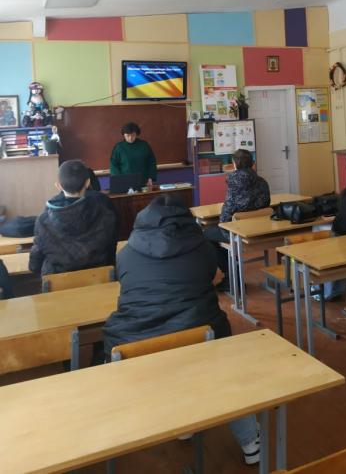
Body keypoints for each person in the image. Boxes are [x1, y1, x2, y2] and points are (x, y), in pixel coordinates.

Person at [103, 194, 260, 465]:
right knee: (223, 369)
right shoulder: (203, 248)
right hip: (199, 334)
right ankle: (250, 441)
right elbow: (213, 278)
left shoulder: (125, 254)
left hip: (135, 344)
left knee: (176, 357)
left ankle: (184, 422)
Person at [29, 159, 118, 276]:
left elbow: (35, 261)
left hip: (57, 281)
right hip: (100, 277)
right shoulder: (106, 213)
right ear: (88, 183)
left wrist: (35, 268)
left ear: (58, 186)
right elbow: (112, 247)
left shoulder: (43, 221)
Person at [203, 149, 270, 285]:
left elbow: (228, 208)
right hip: (258, 229)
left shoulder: (233, 181)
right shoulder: (262, 181)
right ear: (252, 163)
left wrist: (222, 224)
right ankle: (232, 275)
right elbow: (266, 204)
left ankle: (231, 276)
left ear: (235, 164)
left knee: (205, 235)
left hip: (238, 232)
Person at [110, 122, 157, 186]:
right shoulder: (119, 147)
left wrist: (150, 177)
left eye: (133, 135)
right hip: (125, 182)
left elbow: (152, 162)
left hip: (144, 180)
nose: (130, 138)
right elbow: (113, 165)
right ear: (124, 135)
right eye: (127, 135)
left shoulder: (144, 145)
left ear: (137, 134)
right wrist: (119, 180)